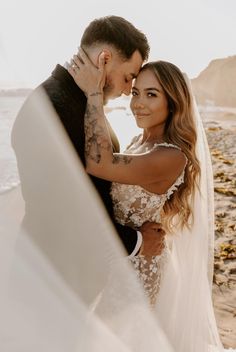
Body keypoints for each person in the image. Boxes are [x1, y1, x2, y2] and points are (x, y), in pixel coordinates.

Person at [68, 53, 227, 351]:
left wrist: (93, 92)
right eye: (136, 92)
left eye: (151, 95)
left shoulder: (171, 156)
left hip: (138, 270)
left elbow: (99, 164)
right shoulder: (139, 143)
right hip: (120, 256)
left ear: (173, 102)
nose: (138, 103)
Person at [11, 16, 165, 294]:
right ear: (104, 59)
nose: (129, 89)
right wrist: (137, 242)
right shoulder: (55, 107)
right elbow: (72, 208)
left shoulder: (77, 101)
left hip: (68, 273)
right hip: (56, 281)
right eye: (128, 76)